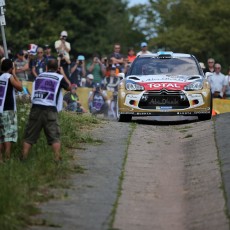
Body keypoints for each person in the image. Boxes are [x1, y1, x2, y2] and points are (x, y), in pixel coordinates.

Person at [22, 59, 71, 162]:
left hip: (35, 107)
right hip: (50, 109)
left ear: (46, 67)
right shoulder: (59, 77)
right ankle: (57, 158)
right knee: (54, 136)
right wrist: (62, 73)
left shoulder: (39, 76)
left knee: (29, 135)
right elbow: (69, 87)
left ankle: (24, 157)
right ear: (57, 68)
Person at [0, 59, 23, 161]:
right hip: (8, 110)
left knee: (1, 136)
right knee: (8, 136)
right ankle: (7, 158)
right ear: (10, 68)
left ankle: (1, 159)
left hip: (0, 109)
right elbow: (20, 87)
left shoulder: (0, 77)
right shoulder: (9, 77)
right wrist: (14, 74)